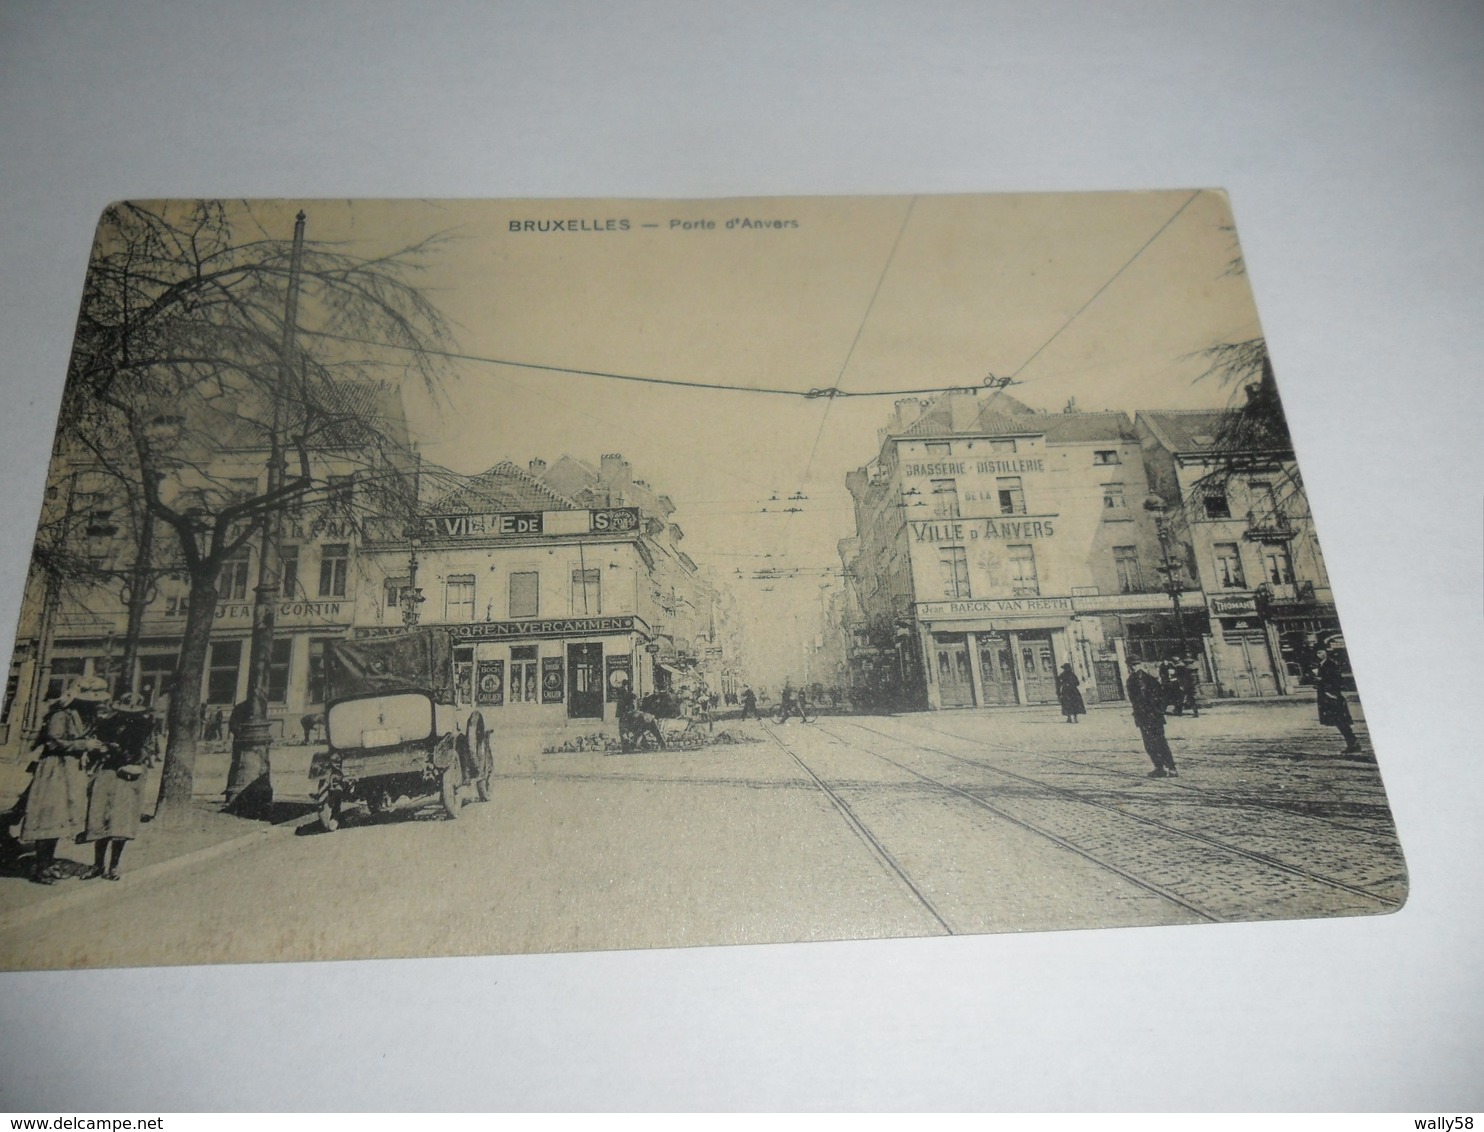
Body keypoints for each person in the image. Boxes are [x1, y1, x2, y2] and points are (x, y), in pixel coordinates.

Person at [19, 675, 109, 883]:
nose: (94, 704)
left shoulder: (86, 715)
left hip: (71, 770)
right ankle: (41, 868)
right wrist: (83, 745)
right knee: (49, 816)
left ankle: (48, 863)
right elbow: (53, 741)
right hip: (54, 770)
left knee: (60, 819)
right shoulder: (61, 715)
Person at [83, 692, 157, 881]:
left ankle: (114, 866)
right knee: (101, 817)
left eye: (133, 713)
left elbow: (149, 749)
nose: (129, 717)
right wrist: (101, 750)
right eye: (124, 712)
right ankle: (98, 865)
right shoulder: (107, 724)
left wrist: (138, 757)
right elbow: (95, 748)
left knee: (121, 821)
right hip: (107, 773)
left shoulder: (146, 726)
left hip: (129, 777)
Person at [1126, 661, 1178, 778]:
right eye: (1132, 665)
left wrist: (1155, 710)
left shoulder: (1133, 680)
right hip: (1153, 716)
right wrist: (1159, 710)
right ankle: (1165, 768)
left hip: (1147, 716)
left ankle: (1166, 767)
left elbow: (1140, 700)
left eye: (1134, 665)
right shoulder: (1150, 679)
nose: (1133, 667)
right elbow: (1162, 696)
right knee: (1157, 742)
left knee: (1153, 742)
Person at [1315, 647, 1361, 755]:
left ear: (1326, 653)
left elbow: (1337, 679)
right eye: (1317, 652)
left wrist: (1324, 683)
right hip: (1327, 696)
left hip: (1332, 696)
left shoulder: (1330, 664)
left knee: (1341, 721)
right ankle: (1352, 743)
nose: (1318, 654)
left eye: (1320, 651)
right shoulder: (1321, 664)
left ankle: (1353, 744)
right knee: (1338, 722)